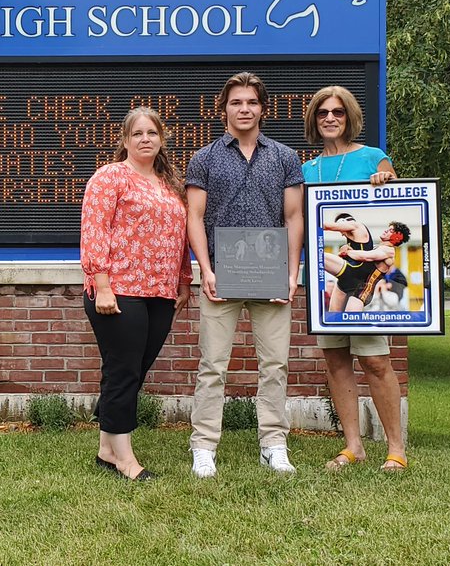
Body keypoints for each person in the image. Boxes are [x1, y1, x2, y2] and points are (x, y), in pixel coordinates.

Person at [185, 72, 304, 478]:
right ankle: (203, 447)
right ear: (224, 109)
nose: (244, 109)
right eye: (236, 102)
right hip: (222, 278)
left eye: (252, 102)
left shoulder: (286, 157)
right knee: (212, 366)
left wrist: (291, 273)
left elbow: (293, 217)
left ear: (263, 109)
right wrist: (206, 270)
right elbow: (194, 217)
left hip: (271, 279)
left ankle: (273, 444)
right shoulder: (204, 158)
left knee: (275, 365)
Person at [81, 106, 192, 481]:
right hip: (118, 290)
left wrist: (183, 280)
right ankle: (125, 459)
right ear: (125, 141)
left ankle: (105, 449)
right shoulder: (110, 176)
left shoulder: (170, 184)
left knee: (132, 370)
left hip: (159, 292)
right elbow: (94, 230)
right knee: (124, 370)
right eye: (137, 134)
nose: (145, 139)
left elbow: (180, 238)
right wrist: (103, 285)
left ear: (162, 139)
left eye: (152, 133)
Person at [302, 84, 407, 472]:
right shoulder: (306, 170)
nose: (330, 118)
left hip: (363, 278)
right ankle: (353, 446)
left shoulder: (373, 158)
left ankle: (396, 448)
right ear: (315, 119)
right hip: (328, 277)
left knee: (375, 360)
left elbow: (396, 188)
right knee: (335, 360)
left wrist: (386, 181)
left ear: (350, 117)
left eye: (338, 112)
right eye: (323, 112)